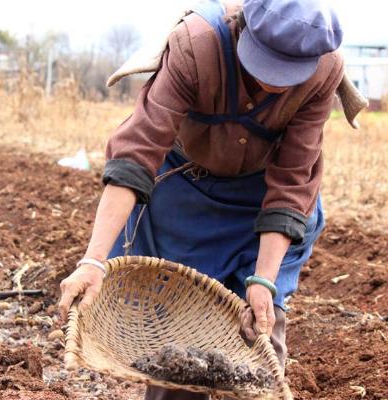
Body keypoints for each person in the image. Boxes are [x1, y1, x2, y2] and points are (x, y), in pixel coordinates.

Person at [59, 0, 345, 398]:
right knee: (176, 349)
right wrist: (93, 260)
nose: (274, 86)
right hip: (186, 195)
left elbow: (292, 181)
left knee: (260, 338)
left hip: (259, 205)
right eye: (265, 68)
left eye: (287, 74)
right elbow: (136, 155)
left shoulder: (324, 70)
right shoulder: (198, 44)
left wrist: (263, 281)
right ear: (242, 29)